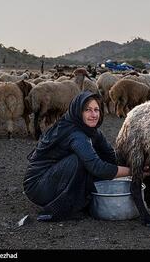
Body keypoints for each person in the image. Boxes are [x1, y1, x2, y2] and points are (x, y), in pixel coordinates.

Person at [23, 91, 133, 222]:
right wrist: (133, 171)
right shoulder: (75, 134)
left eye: (96, 110)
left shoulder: (92, 131)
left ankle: (78, 197)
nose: (94, 115)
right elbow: (98, 168)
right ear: (78, 111)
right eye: (87, 110)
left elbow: (110, 156)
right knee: (81, 161)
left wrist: (135, 163)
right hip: (37, 186)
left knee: (93, 157)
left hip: (53, 177)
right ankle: (61, 206)